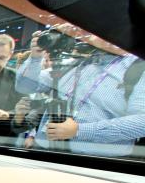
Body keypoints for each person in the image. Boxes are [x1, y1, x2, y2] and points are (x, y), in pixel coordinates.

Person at [15, 31, 145, 157]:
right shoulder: (76, 64)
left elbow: (141, 122)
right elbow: (24, 86)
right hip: (44, 151)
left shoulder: (138, 68)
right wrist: (36, 57)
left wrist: (79, 130)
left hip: (95, 164)